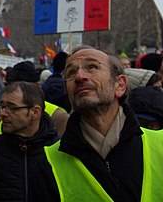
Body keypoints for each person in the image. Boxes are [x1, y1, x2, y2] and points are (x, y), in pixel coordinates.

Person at [41, 45, 163, 201]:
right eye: (70, 72)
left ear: (120, 85)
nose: (79, 76)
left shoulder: (160, 145)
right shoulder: (47, 162)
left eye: (92, 67)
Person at [0, 82, 59, 201]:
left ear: (35, 112)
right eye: (2, 107)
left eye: (12, 108)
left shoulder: (59, 151)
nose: (3, 114)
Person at [0, 60, 69, 136]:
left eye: (13, 108)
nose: (4, 113)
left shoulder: (58, 116)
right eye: (10, 87)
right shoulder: (1, 114)